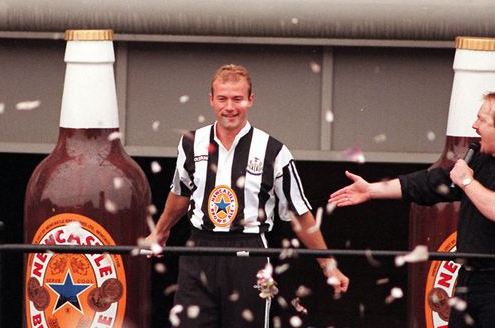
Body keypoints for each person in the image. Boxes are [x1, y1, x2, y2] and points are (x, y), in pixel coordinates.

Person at [145, 64, 349, 328]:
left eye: (237, 99)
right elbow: (181, 192)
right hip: (198, 251)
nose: (230, 107)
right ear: (211, 100)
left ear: (250, 100)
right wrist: (160, 232)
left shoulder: (274, 151)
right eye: (223, 98)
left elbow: (299, 213)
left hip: (249, 254)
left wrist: (327, 264)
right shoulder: (190, 143)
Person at [329, 91, 495, 328]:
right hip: (468, 278)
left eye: (482, 120)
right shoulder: (480, 161)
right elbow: (428, 184)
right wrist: (371, 190)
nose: (474, 126)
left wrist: (467, 182)